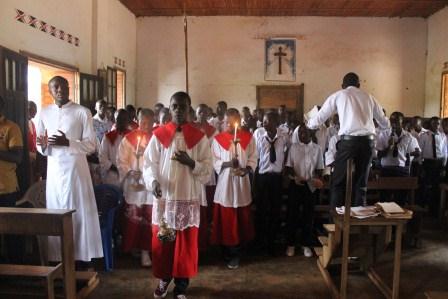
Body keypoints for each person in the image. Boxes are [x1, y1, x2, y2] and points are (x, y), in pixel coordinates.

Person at [143, 92, 212, 299]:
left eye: (183, 106)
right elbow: (149, 163)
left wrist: (191, 163)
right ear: (170, 108)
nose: (178, 110)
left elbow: (208, 169)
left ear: (189, 109)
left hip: (187, 195)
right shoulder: (159, 135)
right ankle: (164, 280)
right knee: (164, 243)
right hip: (164, 196)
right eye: (175, 106)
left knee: (185, 244)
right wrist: (153, 181)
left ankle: (181, 286)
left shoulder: (199, 138)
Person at [36, 76, 102, 265]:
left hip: (76, 170)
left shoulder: (82, 112)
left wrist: (68, 142)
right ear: (50, 91)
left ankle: (80, 261)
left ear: (69, 88)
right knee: (57, 212)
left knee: (77, 211)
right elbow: (41, 143)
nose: (59, 89)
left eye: (63, 86)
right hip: (55, 171)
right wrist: (42, 146)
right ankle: (58, 261)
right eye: (55, 87)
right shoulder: (44, 112)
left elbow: (91, 145)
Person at [307, 72, 389, 207]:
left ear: (343, 85)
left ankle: (336, 221)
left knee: (338, 182)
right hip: (368, 142)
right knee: (361, 184)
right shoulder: (369, 97)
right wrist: (385, 128)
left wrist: (309, 124)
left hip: (349, 142)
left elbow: (320, 117)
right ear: (359, 85)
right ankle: (358, 221)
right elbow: (384, 122)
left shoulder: (339, 95)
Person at [210, 108, 257, 269]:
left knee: (241, 220)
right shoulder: (217, 140)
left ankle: (237, 253)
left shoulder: (248, 138)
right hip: (225, 185)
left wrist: (247, 169)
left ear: (239, 121)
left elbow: (253, 157)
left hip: (241, 183)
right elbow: (213, 160)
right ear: (223, 122)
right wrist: (228, 164)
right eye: (227, 123)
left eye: (233, 122)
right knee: (227, 221)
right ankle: (226, 252)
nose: (230, 125)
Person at [117, 108, 155, 267]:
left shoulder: (156, 139)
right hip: (134, 186)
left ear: (153, 122)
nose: (145, 125)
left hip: (150, 188)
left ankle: (146, 251)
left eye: (148, 122)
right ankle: (133, 247)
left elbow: (160, 161)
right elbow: (121, 160)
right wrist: (130, 171)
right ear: (137, 120)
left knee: (148, 219)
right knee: (133, 218)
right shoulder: (128, 139)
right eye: (142, 121)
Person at [253, 111, 289, 255]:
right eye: (263, 121)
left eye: (267, 121)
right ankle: (260, 241)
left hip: (276, 178)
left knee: (275, 209)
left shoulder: (284, 136)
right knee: (261, 210)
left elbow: (287, 154)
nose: (264, 124)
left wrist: (285, 170)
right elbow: (254, 156)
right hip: (262, 176)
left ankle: (272, 241)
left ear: (276, 122)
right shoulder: (258, 134)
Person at [285, 125, 324, 257]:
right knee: (292, 215)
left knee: (308, 216)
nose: (302, 135)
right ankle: (290, 244)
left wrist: (317, 179)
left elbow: (319, 168)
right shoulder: (294, 148)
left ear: (310, 133)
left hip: (310, 186)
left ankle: (306, 244)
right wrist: (294, 177)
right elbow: (289, 168)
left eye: (304, 132)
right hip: (296, 184)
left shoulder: (317, 149)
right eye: (300, 132)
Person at [376, 112, 420, 205]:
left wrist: (416, 152)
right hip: (386, 170)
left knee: (401, 199)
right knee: (385, 199)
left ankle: (400, 218)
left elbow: (415, 152)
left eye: (396, 121)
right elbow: (379, 155)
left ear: (402, 122)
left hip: (401, 170)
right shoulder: (383, 135)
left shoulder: (408, 136)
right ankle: (386, 219)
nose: (393, 124)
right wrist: (389, 147)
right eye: (391, 121)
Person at [0, 95, 24, 262]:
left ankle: (17, 269)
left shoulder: (10, 128)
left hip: (5, 188)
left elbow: (17, 157)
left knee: (11, 232)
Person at [194, 104, 217, 251]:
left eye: (205, 112)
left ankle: (206, 227)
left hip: (207, 166)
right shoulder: (191, 128)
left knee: (207, 198)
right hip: (193, 167)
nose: (202, 114)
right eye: (200, 111)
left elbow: (214, 149)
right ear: (196, 113)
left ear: (208, 114)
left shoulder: (212, 131)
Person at [418, 117, 447, 215]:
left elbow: (445, 152)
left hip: (438, 163)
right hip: (427, 162)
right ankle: (422, 207)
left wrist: (444, 165)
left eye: (438, 124)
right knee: (425, 185)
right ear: (430, 124)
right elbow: (420, 151)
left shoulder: (443, 136)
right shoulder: (424, 136)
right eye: (434, 123)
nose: (436, 125)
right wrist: (420, 165)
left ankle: (433, 209)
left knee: (436, 186)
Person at [99, 109, 130, 185]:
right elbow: (102, 157)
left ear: (127, 121)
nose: (121, 122)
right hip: (113, 175)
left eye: (124, 119)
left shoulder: (132, 136)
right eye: (118, 119)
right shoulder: (108, 137)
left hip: (129, 175)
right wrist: (114, 168)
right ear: (115, 120)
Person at [28, 101, 39, 182]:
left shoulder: (32, 124)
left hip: (33, 152)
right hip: (26, 153)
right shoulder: (22, 122)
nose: (35, 112)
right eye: (34, 110)